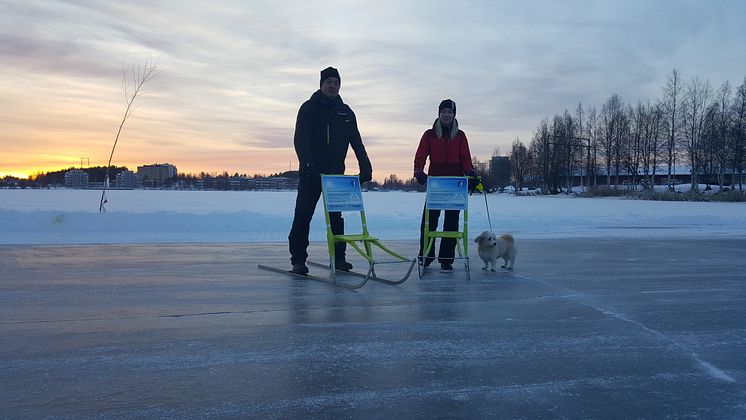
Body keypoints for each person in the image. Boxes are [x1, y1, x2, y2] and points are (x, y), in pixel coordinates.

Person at [288, 67, 373, 274]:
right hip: (312, 174)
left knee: (336, 218)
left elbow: (357, 142)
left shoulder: (346, 112)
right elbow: (301, 140)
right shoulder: (309, 108)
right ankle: (298, 260)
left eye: (336, 82)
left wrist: (365, 165)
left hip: (335, 176)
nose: (332, 86)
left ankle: (339, 258)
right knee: (303, 215)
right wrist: (308, 165)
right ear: (321, 85)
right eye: (329, 82)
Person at [413, 99, 476, 270]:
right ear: (439, 114)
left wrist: (470, 172)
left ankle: (447, 258)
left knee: (452, 221)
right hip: (436, 183)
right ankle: (426, 255)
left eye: (450, 112)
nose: (446, 115)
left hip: (455, 183)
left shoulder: (460, 135)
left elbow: (465, 158)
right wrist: (418, 170)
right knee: (429, 220)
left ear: (454, 114)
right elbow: (420, 155)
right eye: (444, 112)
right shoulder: (430, 134)